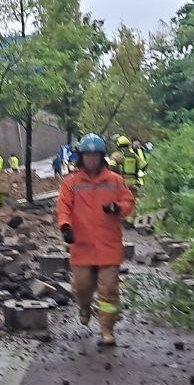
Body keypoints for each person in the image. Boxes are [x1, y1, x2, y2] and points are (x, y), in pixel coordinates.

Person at [56, 133, 135, 346]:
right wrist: (65, 227)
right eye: (88, 155)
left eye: (95, 155)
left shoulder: (115, 181)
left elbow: (128, 203)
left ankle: (107, 329)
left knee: (109, 289)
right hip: (82, 246)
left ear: (101, 157)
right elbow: (63, 208)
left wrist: (117, 208)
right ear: (82, 157)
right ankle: (84, 305)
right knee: (82, 287)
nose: (91, 159)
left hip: (108, 245)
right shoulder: (71, 183)